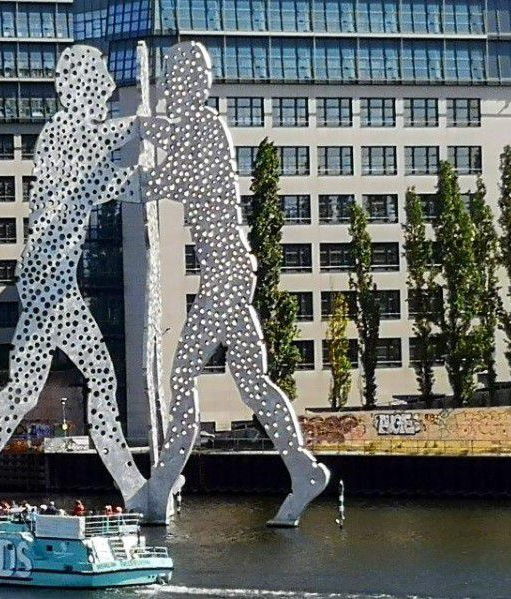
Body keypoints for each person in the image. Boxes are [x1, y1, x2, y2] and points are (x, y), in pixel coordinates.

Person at [132, 41, 329, 527]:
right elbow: (167, 140)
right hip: (231, 271)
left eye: (170, 82)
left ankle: (161, 483)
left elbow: (179, 178)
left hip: (225, 274)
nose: (164, 91)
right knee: (253, 381)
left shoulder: (206, 126)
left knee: (181, 375)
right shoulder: (194, 127)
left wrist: (141, 177)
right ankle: (303, 470)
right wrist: (140, 127)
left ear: (189, 83)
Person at [0, 44, 145, 507]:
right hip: (49, 281)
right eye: (99, 85)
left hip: (50, 280)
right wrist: (137, 128)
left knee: (26, 390)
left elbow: (110, 182)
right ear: (78, 88)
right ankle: (131, 486)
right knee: (97, 376)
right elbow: (94, 178)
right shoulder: (61, 132)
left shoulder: (75, 139)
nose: (107, 93)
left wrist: (144, 172)